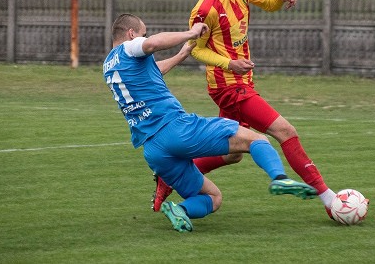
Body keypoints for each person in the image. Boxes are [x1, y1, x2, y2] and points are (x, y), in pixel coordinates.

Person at [151, 0, 339, 219]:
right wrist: (230, 64)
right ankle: (330, 198)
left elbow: (265, 1)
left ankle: (170, 177)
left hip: (242, 82)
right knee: (284, 131)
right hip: (228, 87)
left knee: (233, 153)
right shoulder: (205, 8)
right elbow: (197, 50)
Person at [103, 13, 318, 233]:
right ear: (131, 34)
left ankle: (179, 210)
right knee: (257, 139)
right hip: (176, 129)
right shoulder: (130, 48)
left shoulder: (109, 65)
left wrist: (183, 53)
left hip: (153, 150)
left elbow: (153, 72)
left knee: (213, 197)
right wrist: (191, 32)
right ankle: (279, 178)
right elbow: (153, 43)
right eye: (142, 33)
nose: (144, 37)